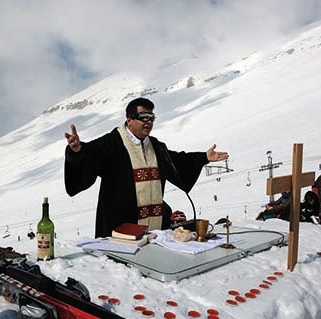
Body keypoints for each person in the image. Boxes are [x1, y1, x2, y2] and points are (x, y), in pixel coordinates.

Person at [64, 97, 229, 238]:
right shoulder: (111, 144)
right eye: (143, 117)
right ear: (129, 120)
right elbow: (88, 156)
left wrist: (204, 157)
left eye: (152, 118)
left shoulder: (156, 146)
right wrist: (76, 152)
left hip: (154, 229)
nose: (149, 122)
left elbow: (177, 160)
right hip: (121, 231)